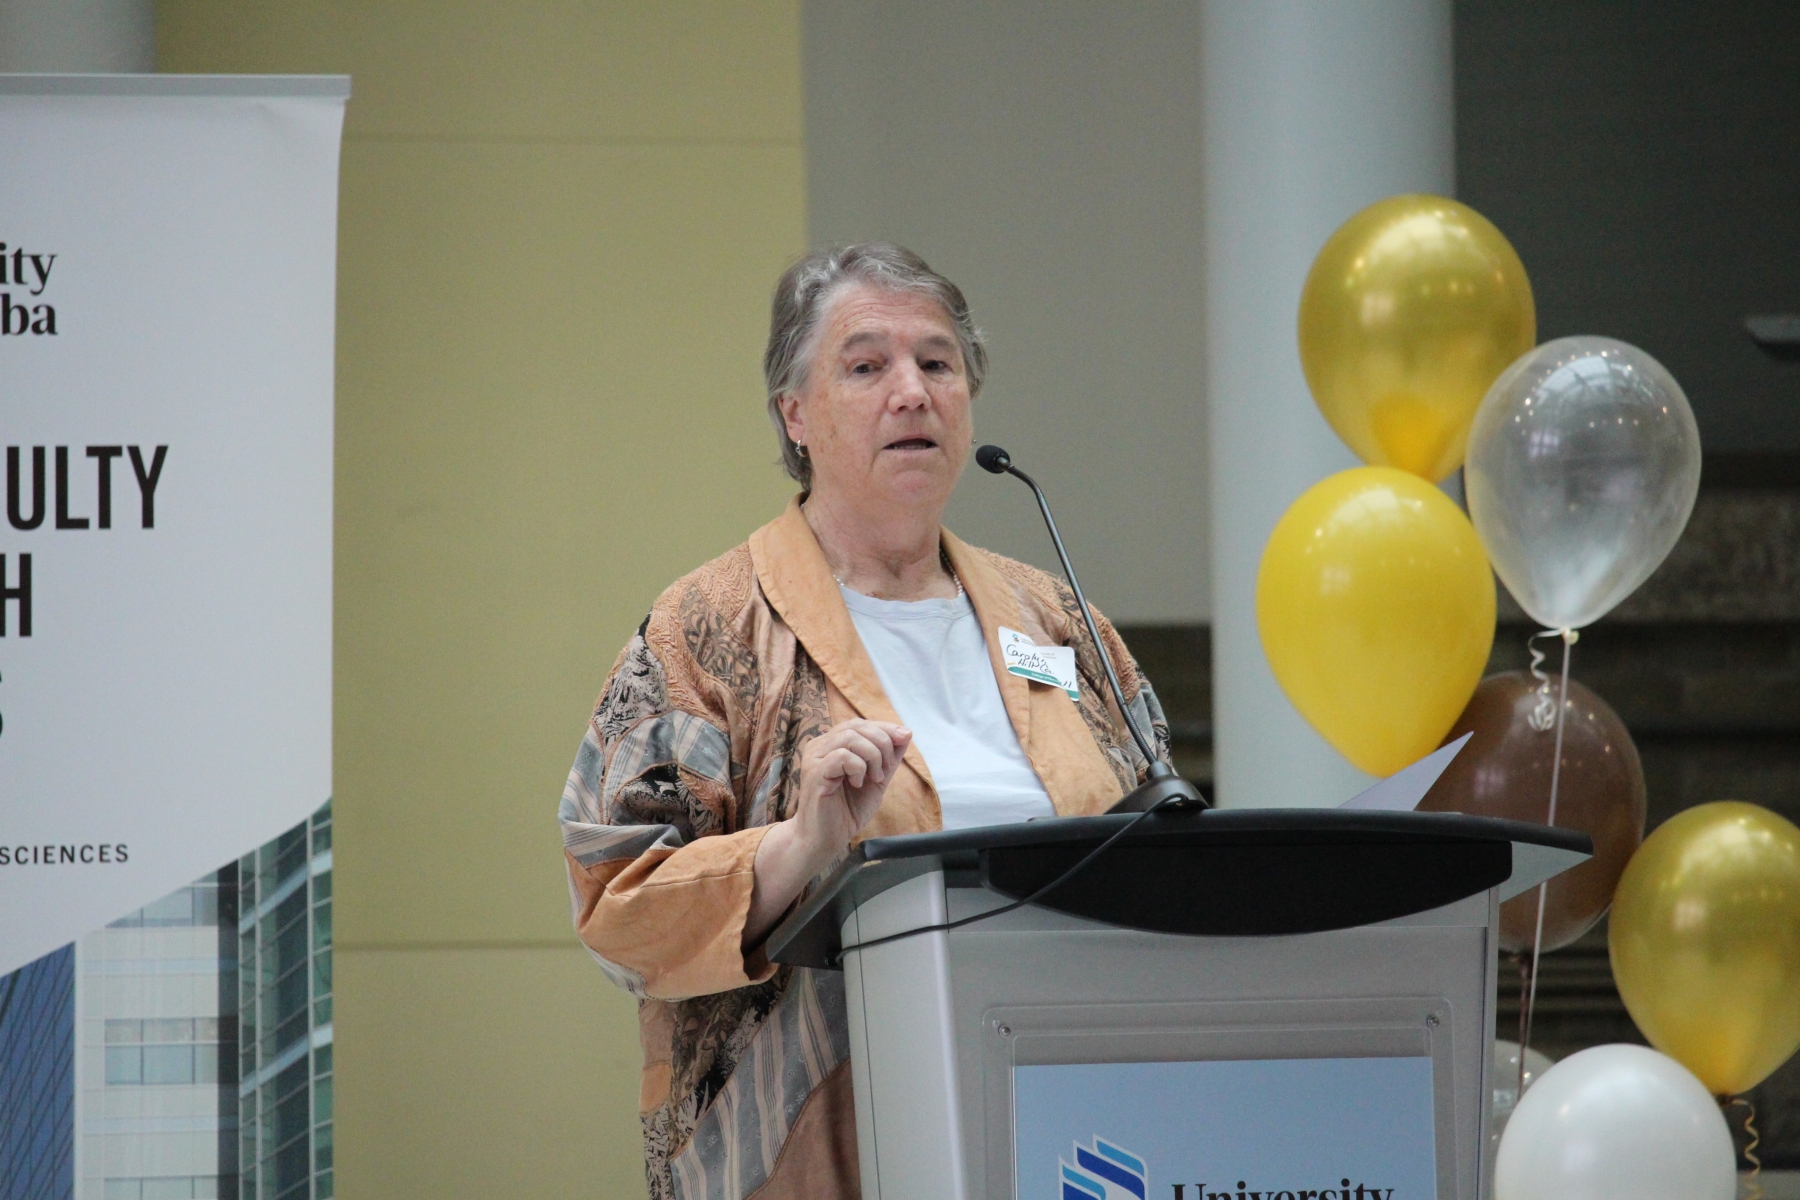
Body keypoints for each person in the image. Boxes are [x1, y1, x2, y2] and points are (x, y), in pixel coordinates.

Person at [559, 243, 1172, 1200]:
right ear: (795, 415)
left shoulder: (1059, 622)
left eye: (937, 362)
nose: (912, 392)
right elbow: (619, 910)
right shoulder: (705, 628)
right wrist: (797, 848)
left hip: (1078, 1125)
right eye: (866, 365)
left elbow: (1163, 830)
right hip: (817, 1152)